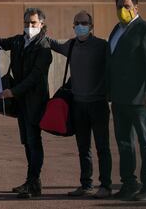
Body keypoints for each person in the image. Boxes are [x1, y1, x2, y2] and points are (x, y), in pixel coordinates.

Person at [47, 11, 112, 198]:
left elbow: (112, 69)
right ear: (73, 26)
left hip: (98, 105)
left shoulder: (102, 46)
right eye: (77, 23)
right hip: (78, 105)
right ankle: (86, 184)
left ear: (91, 26)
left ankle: (106, 185)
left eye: (84, 22)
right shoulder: (71, 45)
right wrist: (39, 31)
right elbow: (54, 45)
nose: (80, 25)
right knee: (83, 148)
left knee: (102, 147)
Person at [0, 8, 52, 198]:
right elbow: (0, 43)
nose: (29, 26)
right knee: (27, 142)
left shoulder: (44, 47)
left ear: (41, 24)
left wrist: (13, 91)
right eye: (26, 23)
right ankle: (33, 182)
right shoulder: (19, 41)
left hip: (35, 102)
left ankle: (32, 181)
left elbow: (35, 77)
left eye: (33, 23)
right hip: (21, 102)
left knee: (34, 142)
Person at [108, 0, 146, 201]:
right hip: (119, 99)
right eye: (119, 6)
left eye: (127, 6)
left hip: (139, 99)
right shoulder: (116, 30)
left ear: (136, 8)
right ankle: (129, 184)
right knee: (124, 143)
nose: (123, 9)